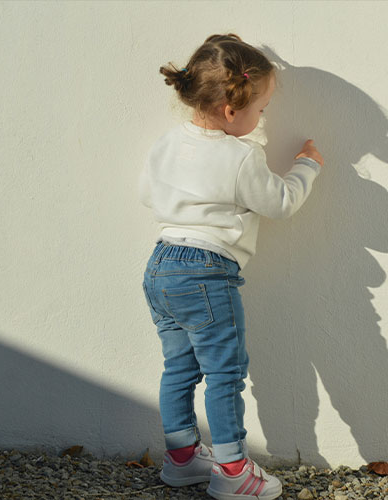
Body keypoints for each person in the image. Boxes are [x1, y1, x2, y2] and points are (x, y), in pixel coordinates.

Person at [139, 33, 324, 500]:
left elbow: (147, 193)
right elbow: (280, 202)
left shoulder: (168, 143)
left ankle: (181, 458)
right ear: (230, 110)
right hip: (205, 271)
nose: (262, 119)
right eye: (260, 110)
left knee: (178, 367)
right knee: (224, 373)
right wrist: (307, 166)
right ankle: (233, 471)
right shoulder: (240, 156)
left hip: (160, 265)